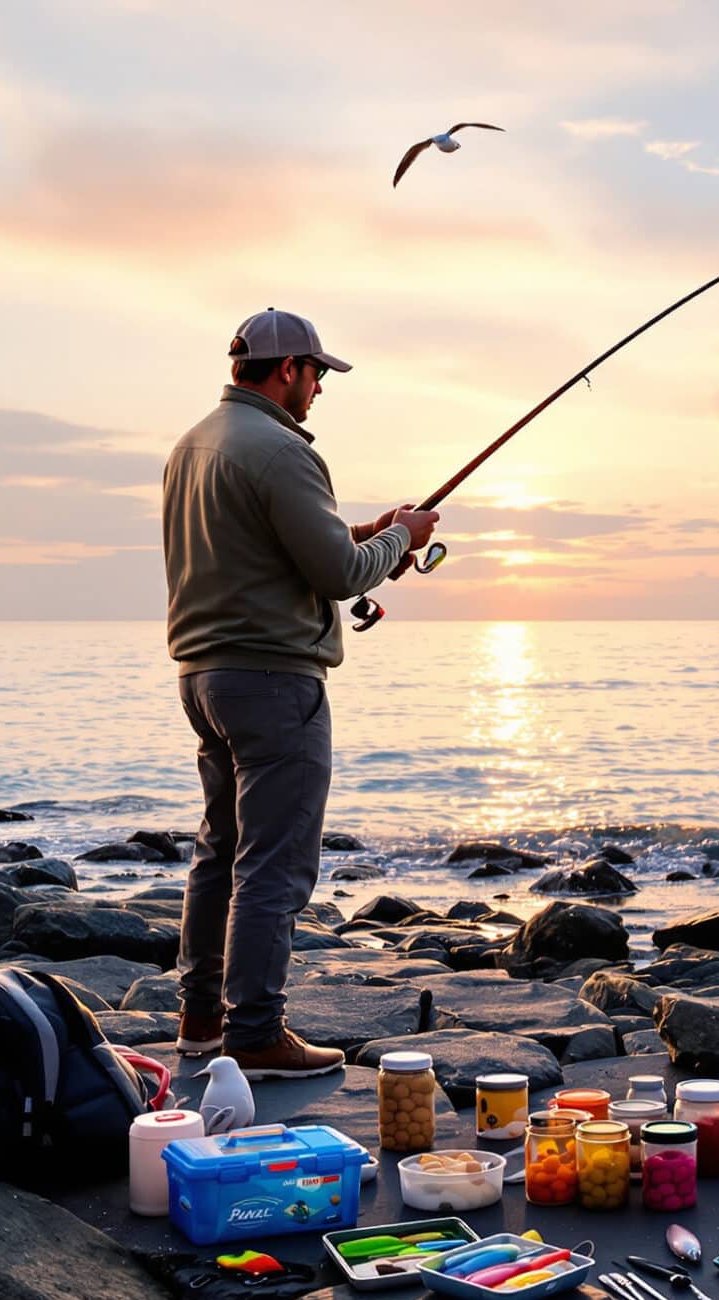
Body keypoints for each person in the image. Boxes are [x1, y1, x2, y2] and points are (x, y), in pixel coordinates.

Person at [159, 309, 439, 1078]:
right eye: (316, 374)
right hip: (275, 682)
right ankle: (255, 1033)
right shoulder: (281, 450)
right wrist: (402, 540)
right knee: (274, 864)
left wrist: (365, 531)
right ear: (286, 370)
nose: (319, 389)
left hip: (204, 677)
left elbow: (272, 547)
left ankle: (200, 1021)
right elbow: (340, 578)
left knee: (219, 852)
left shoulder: (195, 444)